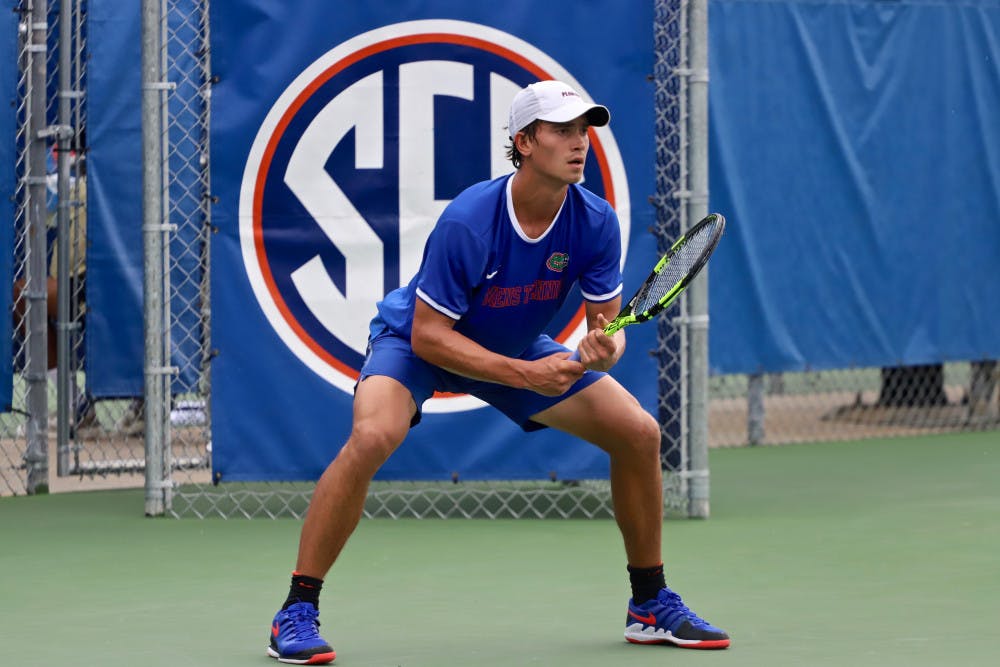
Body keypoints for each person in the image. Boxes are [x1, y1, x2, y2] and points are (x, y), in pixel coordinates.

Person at [266, 80, 730, 664]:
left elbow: (604, 329)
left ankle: (649, 603)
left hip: (512, 346)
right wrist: (523, 375)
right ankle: (296, 609)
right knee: (371, 436)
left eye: (583, 130)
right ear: (525, 141)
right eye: (562, 130)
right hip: (416, 343)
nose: (579, 142)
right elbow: (430, 337)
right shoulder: (470, 221)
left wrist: (599, 350)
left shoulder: (595, 222)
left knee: (637, 433)